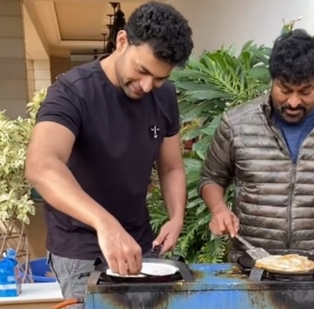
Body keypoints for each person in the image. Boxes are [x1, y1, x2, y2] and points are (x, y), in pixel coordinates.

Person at [24, 1, 193, 306]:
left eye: (159, 78)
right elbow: (41, 166)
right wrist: (105, 223)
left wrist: (177, 216)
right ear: (122, 41)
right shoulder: (72, 91)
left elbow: (171, 167)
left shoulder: (164, 97)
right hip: (80, 247)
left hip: (139, 240)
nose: (146, 86)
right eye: (142, 71)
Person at [198, 29, 314, 263]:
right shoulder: (237, 123)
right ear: (273, 80)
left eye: (305, 92)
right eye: (285, 90)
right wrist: (218, 209)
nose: (293, 101)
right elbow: (211, 178)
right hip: (252, 262)